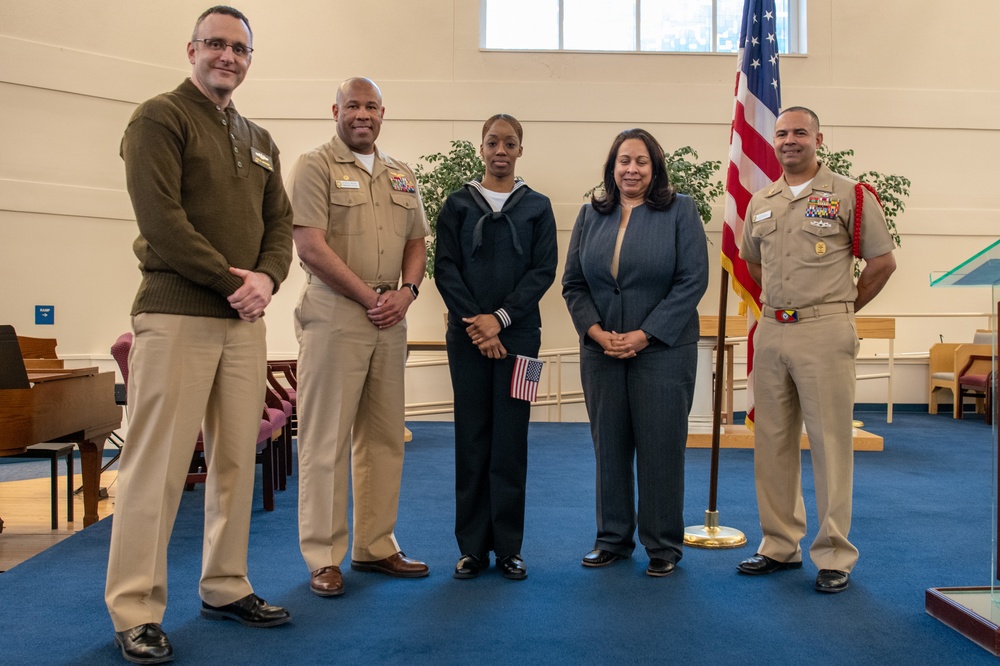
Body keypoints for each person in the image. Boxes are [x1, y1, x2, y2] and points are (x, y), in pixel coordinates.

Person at [105, 5, 294, 663]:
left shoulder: (261, 136)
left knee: (236, 461)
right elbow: (162, 221)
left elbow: (280, 227)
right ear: (191, 49)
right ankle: (135, 608)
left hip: (243, 324)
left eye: (240, 49)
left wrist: (267, 281)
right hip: (176, 313)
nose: (228, 57)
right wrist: (230, 280)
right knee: (153, 466)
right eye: (216, 44)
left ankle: (224, 583)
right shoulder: (159, 117)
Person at [737, 106, 896, 594]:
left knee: (830, 443)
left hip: (825, 331)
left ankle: (833, 554)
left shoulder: (851, 194)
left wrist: (841, 305)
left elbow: (882, 263)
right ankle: (779, 544)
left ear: (818, 138)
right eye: (782, 133)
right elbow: (753, 263)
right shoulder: (761, 200)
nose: (789, 140)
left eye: (799, 132)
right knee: (773, 442)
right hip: (773, 330)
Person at [290, 77, 431, 598]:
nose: (362, 114)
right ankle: (323, 556)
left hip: (391, 317)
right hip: (335, 315)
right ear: (336, 110)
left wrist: (407, 292)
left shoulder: (401, 174)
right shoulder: (315, 166)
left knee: (384, 438)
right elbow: (310, 245)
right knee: (326, 439)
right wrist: (368, 296)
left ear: (382, 112)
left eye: (371, 106)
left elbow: (417, 240)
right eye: (353, 105)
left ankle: (375, 545)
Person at [562, 128, 709, 577]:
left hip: (663, 350)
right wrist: (597, 333)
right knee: (609, 447)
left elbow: (692, 280)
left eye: (641, 161)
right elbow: (573, 283)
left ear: (655, 167)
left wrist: (644, 334)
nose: (631, 169)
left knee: (661, 448)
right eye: (624, 161)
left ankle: (663, 545)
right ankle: (612, 540)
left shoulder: (681, 210)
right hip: (601, 352)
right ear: (612, 167)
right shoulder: (591, 214)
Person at [434, 114, 558, 581]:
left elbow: (543, 271)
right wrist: (478, 327)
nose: (500, 150)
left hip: (520, 340)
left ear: (520, 150)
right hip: (466, 340)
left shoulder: (538, 207)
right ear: (481, 149)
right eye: (492, 142)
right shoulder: (457, 205)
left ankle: (508, 547)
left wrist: (501, 321)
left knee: (510, 441)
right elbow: (445, 269)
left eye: (510, 143)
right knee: (471, 438)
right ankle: (471, 548)